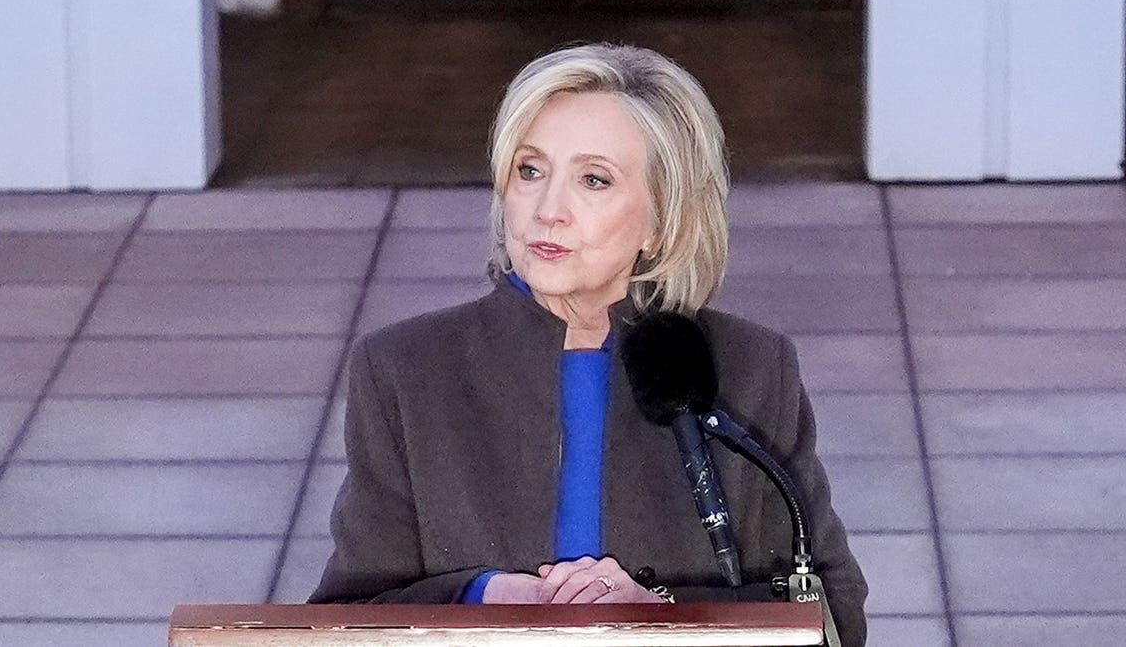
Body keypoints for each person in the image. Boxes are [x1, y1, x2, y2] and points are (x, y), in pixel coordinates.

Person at [309, 42, 868, 644]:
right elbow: (347, 617)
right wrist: (480, 597)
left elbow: (833, 614)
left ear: (662, 219)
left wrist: (661, 614)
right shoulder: (404, 370)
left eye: (593, 180)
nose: (548, 210)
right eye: (530, 170)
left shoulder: (752, 367)